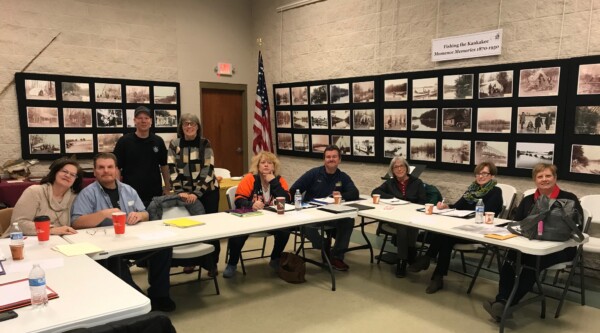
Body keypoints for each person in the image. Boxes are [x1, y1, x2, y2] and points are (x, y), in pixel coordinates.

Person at [71, 153, 175, 312]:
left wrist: (139, 215)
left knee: (163, 248)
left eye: (110, 167)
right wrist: (103, 214)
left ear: (117, 170)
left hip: (132, 240)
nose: (106, 171)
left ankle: (159, 296)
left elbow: (145, 214)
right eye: (101, 167)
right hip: (106, 245)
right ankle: (139, 301)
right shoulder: (87, 193)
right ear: (95, 171)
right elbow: (76, 223)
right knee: (115, 261)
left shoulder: (128, 190)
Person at [483, 163, 583, 322]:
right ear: (535, 180)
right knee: (510, 257)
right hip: (531, 245)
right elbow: (517, 223)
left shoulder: (569, 199)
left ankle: (506, 304)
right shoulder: (529, 200)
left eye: (548, 176)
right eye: (540, 176)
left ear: (555, 178)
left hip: (561, 248)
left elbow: (579, 226)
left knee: (532, 263)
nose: (544, 179)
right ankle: (502, 300)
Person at [410, 162, 503, 293]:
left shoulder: (495, 192)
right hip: (460, 228)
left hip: (477, 231)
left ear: (492, 176)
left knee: (445, 237)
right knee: (445, 237)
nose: (480, 176)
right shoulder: (472, 190)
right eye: (478, 173)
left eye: (484, 174)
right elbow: (458, 206)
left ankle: (428, 259)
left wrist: (466, 215)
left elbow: (487, 211)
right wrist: (446, 206)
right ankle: (437, 277)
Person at [289, 145, 359, 271]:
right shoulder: (313, 174)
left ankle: (337, 256)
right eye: (328, 157)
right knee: (305, 226)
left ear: (339, 160)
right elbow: (294, 189)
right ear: (324, 159)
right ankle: (323, 244)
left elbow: (355, 193)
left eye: (334, 157)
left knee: (348, 220)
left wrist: (340, 195)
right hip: (311, 213)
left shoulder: (342, 177)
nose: (331, 159)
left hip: (332, 214)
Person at [223, 152, 291, 278]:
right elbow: (238, 200)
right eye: (263, 163)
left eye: (269, 163)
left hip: (272, 220)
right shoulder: (250, 179)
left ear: (274, 166)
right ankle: (232, 263)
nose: (266, 165)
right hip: (251, 218)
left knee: (285, 230)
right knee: (237, 232)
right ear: (257, 166)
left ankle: (275, 258)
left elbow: (287, 199)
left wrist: (273, 182)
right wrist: (251, 204)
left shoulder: (279, 180)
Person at [371, 157, 426, 277]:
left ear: (407, 168)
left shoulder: (417, 182)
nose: (399, 169)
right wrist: (392, 198)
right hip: (394, 217)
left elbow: (423, 202)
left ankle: (409, 254)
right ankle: (403, 260)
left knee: (409, 224)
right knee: (402, 225)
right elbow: (375, 192)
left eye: (402, 166)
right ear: (392, 170)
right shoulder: (390, 183)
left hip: (412, 216)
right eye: (396, 167)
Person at [4, 158, 81, 237]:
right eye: (64, 171)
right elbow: (19, 223)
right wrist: (51, 230)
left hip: (59, 241)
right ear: (55, 172)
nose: (68, 175)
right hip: (23, 240)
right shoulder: (34, 192)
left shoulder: (75, 198)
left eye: (72, 174)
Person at [113, 106, 171, 207]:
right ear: (135, 121)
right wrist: (118, 189)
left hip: (155, 194)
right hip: (130, 193)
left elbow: (164, 166)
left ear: (151, 121)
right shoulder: (124, 141)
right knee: (133, 220)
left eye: (146, 118)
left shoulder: (158, 141)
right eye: (140, 118)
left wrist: (167, 187)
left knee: (155, 221)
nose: (143, 121)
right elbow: (117, 168)